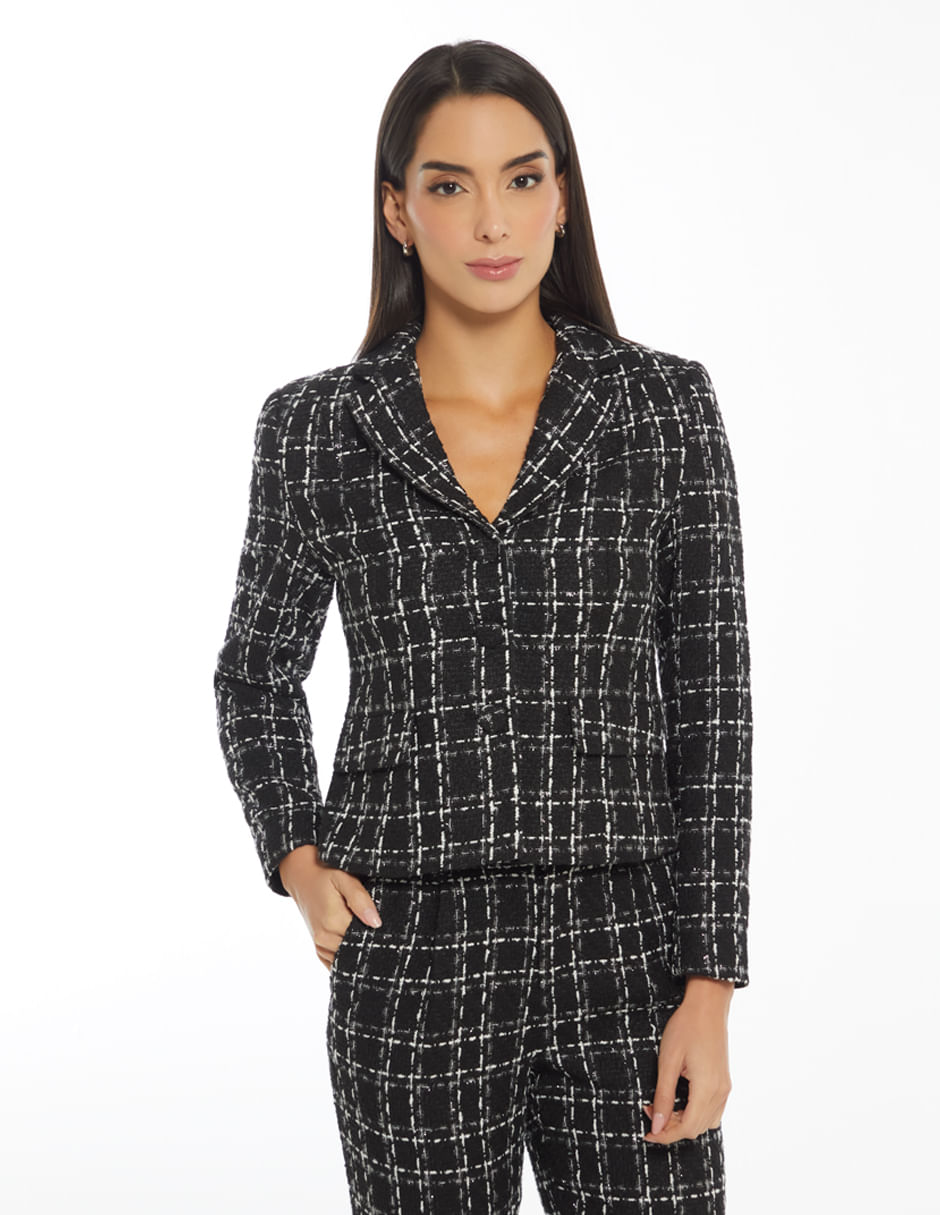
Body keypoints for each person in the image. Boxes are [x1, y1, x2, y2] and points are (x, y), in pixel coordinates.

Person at [213, 38, 753, 1215]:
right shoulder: (316, 427)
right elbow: (255, 674)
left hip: (627, 948)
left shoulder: (662, 407)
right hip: (412, 949)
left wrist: (709, 983)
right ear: (398, 212)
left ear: (561, 196)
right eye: (449, 186)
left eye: (521, 177)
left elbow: (712, 706)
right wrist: (297, 857)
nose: (492, 222)